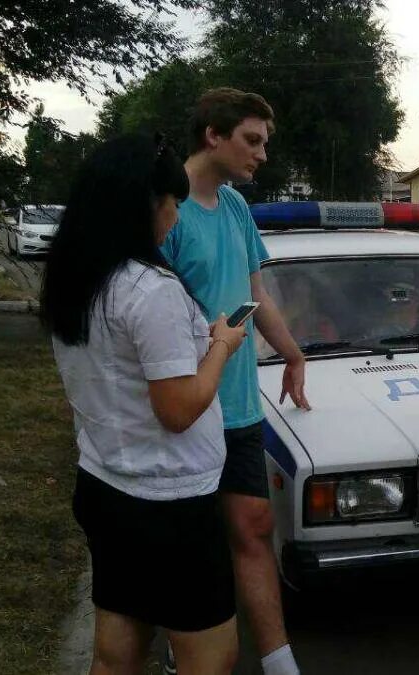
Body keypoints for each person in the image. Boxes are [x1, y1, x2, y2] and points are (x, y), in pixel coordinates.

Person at [40, 134, 244, 675]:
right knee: (212, 657)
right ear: (141, 205)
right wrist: (221, 345)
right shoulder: (151, 290)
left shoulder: (75, 279)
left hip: (106, 485)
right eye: (170, 203)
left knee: (117, 650)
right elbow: (178, 411)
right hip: (170, 505)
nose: (174, 218)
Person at [160, 88, 309, 675]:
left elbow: (255, 296)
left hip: (241, 407)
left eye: (265, 142)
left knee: (253, 525)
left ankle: (279, 662)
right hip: (187, 408)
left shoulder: (237, 209)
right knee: (191, 544)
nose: (262, 154)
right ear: (213, 136)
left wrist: (293, 354)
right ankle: (182, 652)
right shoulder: (167, 211)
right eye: (253, 140)